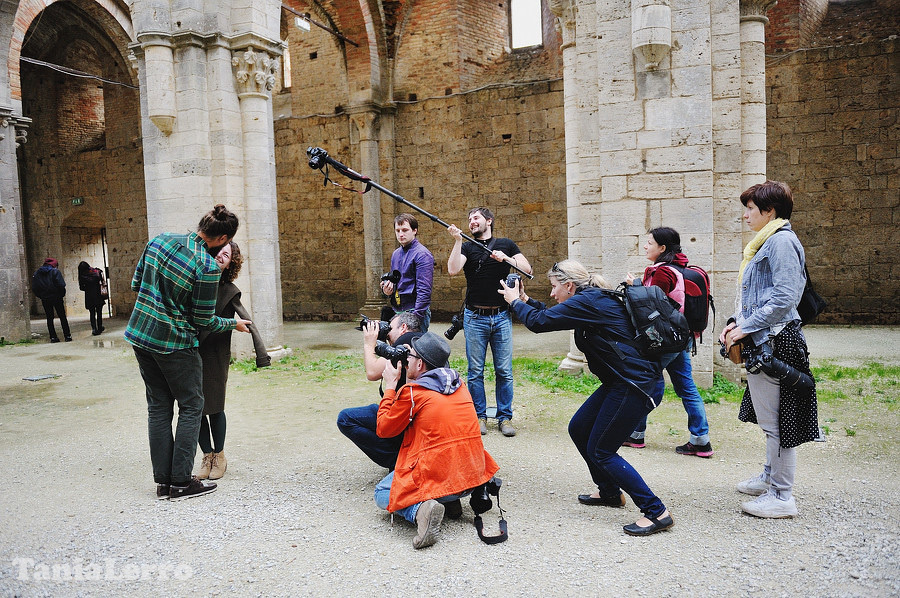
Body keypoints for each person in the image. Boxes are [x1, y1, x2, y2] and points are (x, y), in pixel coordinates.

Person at [499, 259, 674, 536]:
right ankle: (609, 492)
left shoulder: (590, 301)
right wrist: (524, 300)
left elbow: (538, 323)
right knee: (579, 428)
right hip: (622, 382)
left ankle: (656, 512)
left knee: (602, 450)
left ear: (569, 285)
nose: (553, 294)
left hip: (636, 385)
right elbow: (548, 314)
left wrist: (513, 302)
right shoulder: (588, 300)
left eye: (555, 287)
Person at [125, 205, 252, 501]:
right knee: (193, 406)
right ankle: (181, 482)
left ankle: (163, 484)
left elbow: (136, 283)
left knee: (158, 408)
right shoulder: (206, 267)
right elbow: (203, 320)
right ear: (221, 238)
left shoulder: (160, 240)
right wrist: (233, 323)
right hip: (175, 345)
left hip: (141, 337)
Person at [720, 181, 818, 519]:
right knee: (770, 419)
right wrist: (735, 322)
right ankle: (769, 477)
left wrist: (743, 328)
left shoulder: (781, 242)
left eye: (750, 208)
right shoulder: (765, 242)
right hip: (763, 341)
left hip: (776, 342)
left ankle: (781, 495)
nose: (746, 215)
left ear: (769, 211)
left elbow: (784, 299)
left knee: (777, 422)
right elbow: (754, 296)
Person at [374, 331, 500, 549]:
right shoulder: (460, 384)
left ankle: (421, 511)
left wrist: (390, 387)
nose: (406, 359)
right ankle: (451, 503)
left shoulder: (414, 392)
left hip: (442, 482)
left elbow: (384, 429)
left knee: (382, 493)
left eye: (410, 356)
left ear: (421, 364)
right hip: (472, 479)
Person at [622, 227, 714, 457]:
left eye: (650, 243)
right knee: (687, 388)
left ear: (662, 248)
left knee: (643, 382)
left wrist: (634, 286)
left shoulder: (663, 273)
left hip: (664, 340)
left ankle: (635, 434)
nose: (645, 246)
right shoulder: (680, 268)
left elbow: (651, 307)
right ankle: (701, 439)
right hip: (680, 338)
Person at [447, 207, 532, 437]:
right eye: (469, 219)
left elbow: (527, 269)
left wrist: (506, 258)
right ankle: (479, 416)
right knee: (475, 371)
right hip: (474, 318)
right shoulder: (466, 245)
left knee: (504, 370)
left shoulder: (506, 244)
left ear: (489, 221)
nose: (471, 222)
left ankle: (504, 417)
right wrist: (456, 241)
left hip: (502, 316)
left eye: (476, 218)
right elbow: (453, 269)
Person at [195, 241, 271, 481]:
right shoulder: (196, 282)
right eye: (218, 252)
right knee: (194, 408)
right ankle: (206, 455)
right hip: (192, 349)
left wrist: (261, 354)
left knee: (215, 405)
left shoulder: (229, 290)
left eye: (226, 254)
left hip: (216, 352)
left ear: (231, 263)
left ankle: (219, 455)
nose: (220, 256)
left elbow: (247, 321)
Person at [336, 311, 421, 470]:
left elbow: (372, 372)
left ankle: (397, 460)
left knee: (346, 419)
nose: (387, 331)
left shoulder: (405, 342)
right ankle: (402, 454)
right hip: (415, 416)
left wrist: (369, 343)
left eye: (390, 327)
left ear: (403, 327)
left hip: (406, 416)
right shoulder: (422, 341)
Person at [380, 213, 435, 331]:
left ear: (415, 230)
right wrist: (386, 290)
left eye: (405, 230)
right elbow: (396, 282)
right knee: (397, 349)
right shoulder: (396, 254)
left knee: (413, 348)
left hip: (414, 311)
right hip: (397, 310)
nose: (401, 234)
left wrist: (416, 318)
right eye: (397, 230)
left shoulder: (422, 254)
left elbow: (424, 290)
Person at [31, 258, 71, 343]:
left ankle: (53, 337)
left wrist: (41, 295)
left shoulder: (37, 273)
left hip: (45, 298)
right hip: (57, 297)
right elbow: (61, 285)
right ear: (54, 264)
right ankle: (67, 336)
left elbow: (34, 287)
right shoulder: (55, 272)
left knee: (49, 318)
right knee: (62, 317)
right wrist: (61, 294)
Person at [78, 261, 106, 336]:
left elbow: (81, 287)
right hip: (98, 294)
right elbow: (101, 281)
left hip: (89, 296)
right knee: (99, 312)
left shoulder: (82, 276)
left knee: (92, 313)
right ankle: (100, 327)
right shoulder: (96, 272)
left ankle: (94, 329)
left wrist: (87, 288)